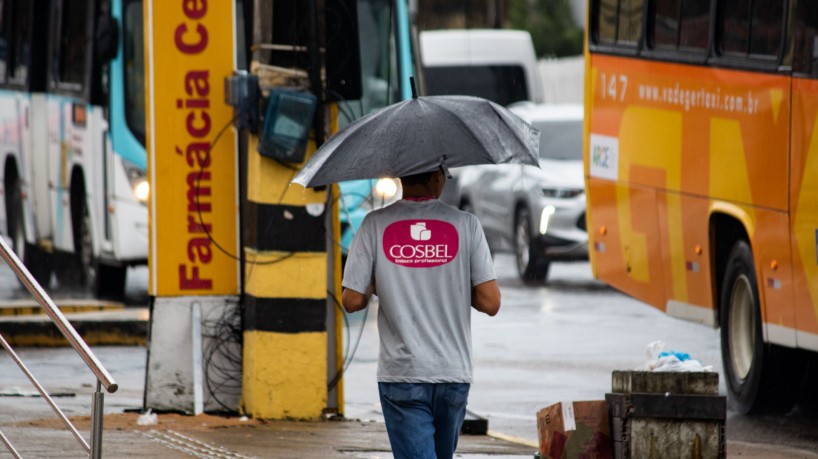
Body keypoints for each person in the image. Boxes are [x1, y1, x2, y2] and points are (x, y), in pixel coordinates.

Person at [341, 167, 501, 459]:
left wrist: (381, 281)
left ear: (400, 177)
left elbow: (351, 300)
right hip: (452, 373)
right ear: (438, 177)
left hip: (402, 375)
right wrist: (453, 284)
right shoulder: (467, 224)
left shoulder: (374, 224)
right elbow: (490, 302)